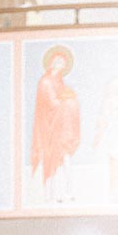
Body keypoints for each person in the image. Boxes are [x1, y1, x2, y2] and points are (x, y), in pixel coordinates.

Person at [30, 45, 80, 203]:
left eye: (63, 62)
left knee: (65, 159)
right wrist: (68, 100)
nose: (60, 64)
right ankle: (50, 194)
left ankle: (68, 192)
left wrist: (71, 100)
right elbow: (52, 103)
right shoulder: (45, 82)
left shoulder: (61, 82)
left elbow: (65, 100)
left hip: (62, 128)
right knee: (52, 160)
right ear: (51, 62)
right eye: (57, 61)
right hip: (50, 128)